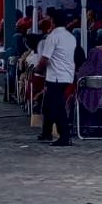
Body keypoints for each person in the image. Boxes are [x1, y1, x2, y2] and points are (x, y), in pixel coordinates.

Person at [35, 16, 77, 146]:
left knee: (58, 107)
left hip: (55, 76)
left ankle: (64, 136)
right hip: (67, 74)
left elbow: (45, 59)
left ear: (53, 23)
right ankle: (46, 132)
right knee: (48, 104)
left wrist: (38, 69)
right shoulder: (71, 37)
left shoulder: (52, 37)